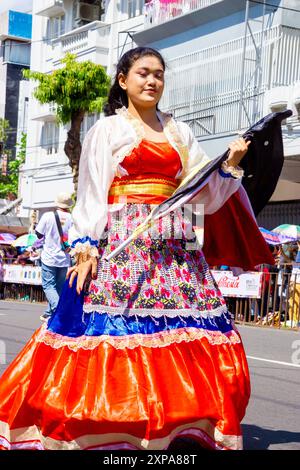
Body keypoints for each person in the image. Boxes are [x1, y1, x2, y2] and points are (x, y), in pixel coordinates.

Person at [0, 47, 273, 451]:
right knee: (103, 331)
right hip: (123, 243)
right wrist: (86, 248)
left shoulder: (180, 132)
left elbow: (202, 196)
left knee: (189, 331)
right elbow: (91, 192)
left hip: (177, 246)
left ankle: (178, 426)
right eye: (143, 73)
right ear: (123, 80)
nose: (152, 81)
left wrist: (230, 163)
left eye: (159, 74)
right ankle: (112, 425)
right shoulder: (107, 130)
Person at [35, 192, 73, 322]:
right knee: (59, 286)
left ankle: (58, 310)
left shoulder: (47, 216)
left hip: (49, 257)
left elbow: (39, 234)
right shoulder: (72, 218)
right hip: (64, 258)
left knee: (49, 286)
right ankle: (49, 312)